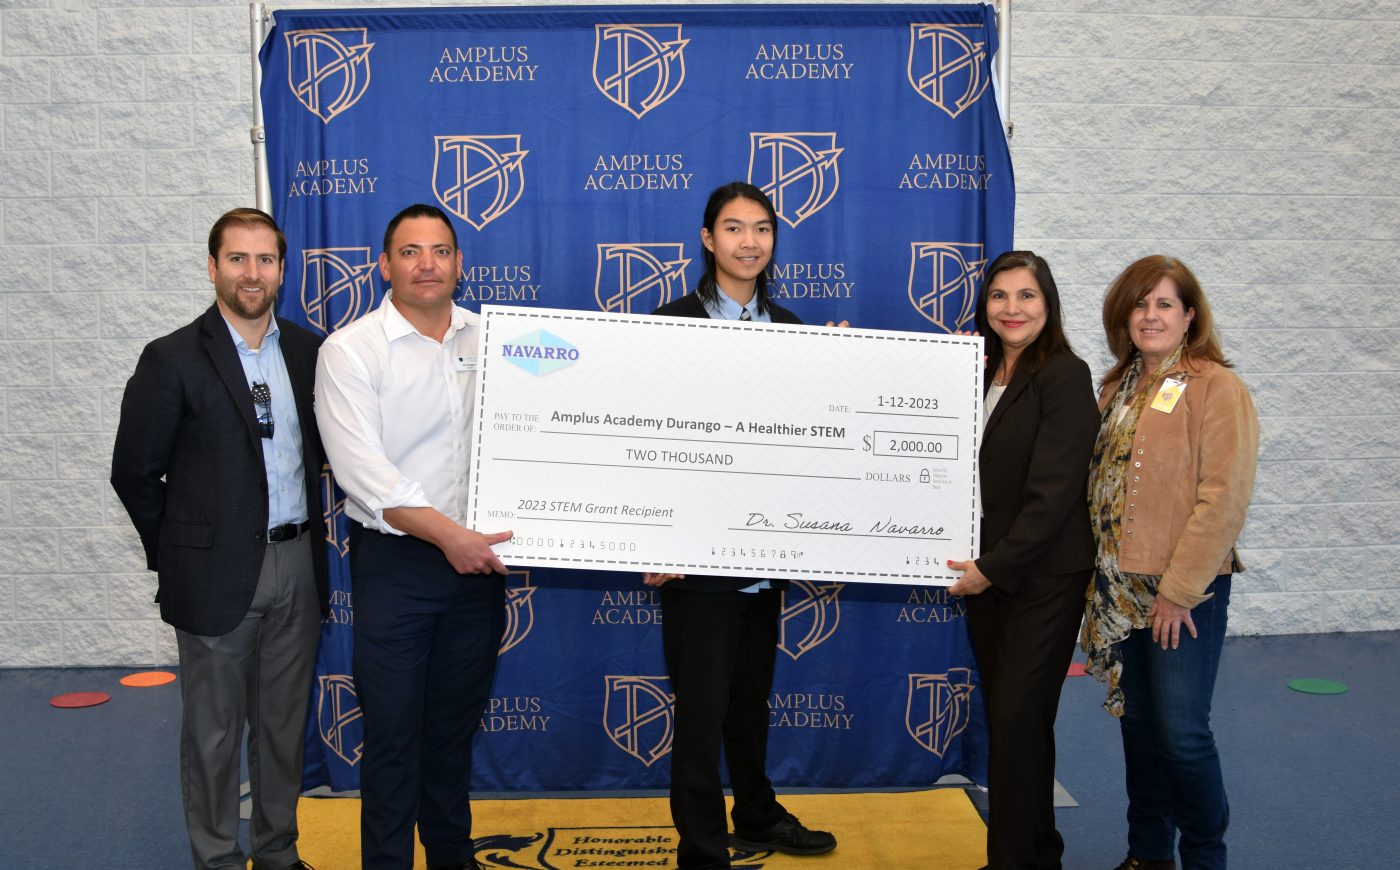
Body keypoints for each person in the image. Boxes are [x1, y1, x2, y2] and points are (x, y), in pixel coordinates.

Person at [111, 207, 328, 870]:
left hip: (296, 565)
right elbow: (135, 473)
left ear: (283, 271)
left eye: (265, 260)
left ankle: (278, 852)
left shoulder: (308, 351)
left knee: (282, 730)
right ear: (213, 268)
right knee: (212, 734)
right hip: (212, 576)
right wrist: (180, 551)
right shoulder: (171, 359)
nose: (252, 273)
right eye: (238, 259)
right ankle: (217, 858)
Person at [643, 182, 837, 870]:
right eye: (733, 228)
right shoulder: (665, 325)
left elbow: (807, 442)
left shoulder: (793, 331)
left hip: (763, 560)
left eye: (761, 228)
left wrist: (846, 376)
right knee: (699, 717)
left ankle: (754, 814)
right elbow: (647, 443)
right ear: (707, 238)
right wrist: (653, 536)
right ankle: (700, 850)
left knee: (750, 703)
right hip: (693, 565)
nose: (749, 242)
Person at [314, 203, 511, 870]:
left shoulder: (498, 342)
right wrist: (448, 536)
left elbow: (574, 412)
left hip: (478, 570)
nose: (426, 264)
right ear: (384, 264)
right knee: (395, 738)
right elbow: (364, 474)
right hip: (398, 568)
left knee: (453, 735)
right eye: (410, 251)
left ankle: (452, 858)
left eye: (440, 251)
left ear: (460, 264)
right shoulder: (350, 350)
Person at [1081, 256, 1259, 870]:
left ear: (1189, 316)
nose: (1150, 315)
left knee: (1182, 736)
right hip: (1118, 590)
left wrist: (1179, 591)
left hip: (1181, 592)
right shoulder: (1116, 387)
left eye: (1164, 304)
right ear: (1122, 315)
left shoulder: (1216, 386)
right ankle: (1148, 854)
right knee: (1140, 731)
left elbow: (1224, 496)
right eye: (1139, 303)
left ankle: (1207, 856)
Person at [946, 251, 1100, 870]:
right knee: (1024, 723)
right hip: (989, 577)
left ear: (1049, 303)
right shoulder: (974, 372)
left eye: (1027, 296)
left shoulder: (1065, 374)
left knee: (1013, 719)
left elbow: (1055, 493)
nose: (1012, 309)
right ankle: (1039, 851)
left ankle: (1011, 859)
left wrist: (993, 567)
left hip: (1041, 578)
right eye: (1000, 296)